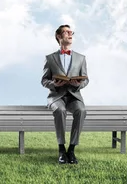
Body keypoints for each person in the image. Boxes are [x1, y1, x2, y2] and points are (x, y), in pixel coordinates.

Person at [41, 24, 89, 164]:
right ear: (59, 36)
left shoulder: (81, 58)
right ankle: (61, 149)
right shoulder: (50, 58)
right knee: (60, 110)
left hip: (74, 95)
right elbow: (44, 80)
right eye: (66, 32)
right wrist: (54, 84)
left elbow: (86, 79)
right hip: (56, 96)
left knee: (81, 110)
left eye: (71, 32)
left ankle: (72, 149)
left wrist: (78, 84)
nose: (70, 34)